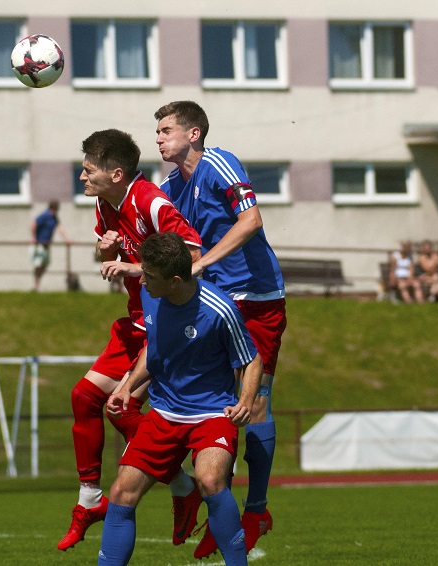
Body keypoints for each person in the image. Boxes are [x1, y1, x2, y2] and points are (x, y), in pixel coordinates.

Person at [58, 129, 203, 551]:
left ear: (116, 173)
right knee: (84, 397)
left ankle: (186, 487)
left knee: (119, 408)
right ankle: (90, 499)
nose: (82, 178)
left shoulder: (151, 202)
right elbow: (114, 261)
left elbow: (193, 255)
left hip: (169, 325)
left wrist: (135, 267)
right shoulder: (106, 203)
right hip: (137, 322)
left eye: (88, 170)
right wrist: (109, 252)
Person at [153, 101, 287, 557]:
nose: (158, 138)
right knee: (216, 406)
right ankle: (219, 508)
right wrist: (113, 245)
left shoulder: (219, 163)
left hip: (257, 297)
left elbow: (252, 220)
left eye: (166, 129)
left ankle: (257, 510)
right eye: (157, 131)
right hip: (214, 302)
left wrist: (202, 263)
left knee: (256, 400)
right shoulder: (169, 187)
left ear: (193, 133)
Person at [98, 232, 263, 566]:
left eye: (149, 275)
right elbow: (154, 348)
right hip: (164, 413)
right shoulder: (151, 296)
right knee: (120, 493)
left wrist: (246, 400)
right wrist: (127, 387)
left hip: (212, 414)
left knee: (210, 481)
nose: (142, 280)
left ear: (174, 281)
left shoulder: (220, 309)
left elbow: (252, 359)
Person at [30, 200, 71, 290]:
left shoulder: (54, 217)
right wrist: (33, 238)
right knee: (38, 265)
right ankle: (35, 285)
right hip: (39, 244)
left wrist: (66, 239)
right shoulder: (45, 215)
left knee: (45, 265)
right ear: (53, 208)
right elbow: (33, 224)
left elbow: (59, 228)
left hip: (46, 245)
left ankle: (37, 283)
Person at [416, 240, 438, 305]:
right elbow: (427, 269)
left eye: (428, 247)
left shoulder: (434, 255)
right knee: (437, 279)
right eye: (425, 248)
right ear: (423, 248)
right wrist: (431, 269)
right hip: (423, 276)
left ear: (431, 248)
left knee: (436, 278)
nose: (427, 249)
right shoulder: (421, 257)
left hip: (432, 276)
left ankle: (432, 295)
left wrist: (431, 269)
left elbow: (433, 268)